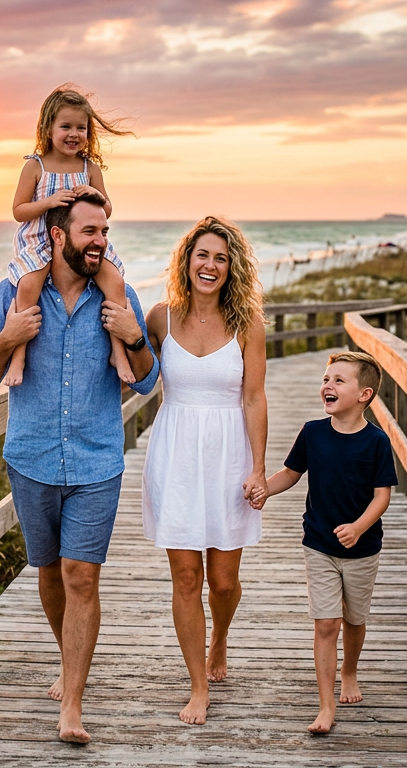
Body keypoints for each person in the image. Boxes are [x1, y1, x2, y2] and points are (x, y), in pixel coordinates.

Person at [0, 192, 159, 744]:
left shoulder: (117, 294)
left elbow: (145, 379)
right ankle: (68, 660)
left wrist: (133, 336)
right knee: (49, 572)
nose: (100, 241)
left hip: (97, 458)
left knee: (81, 575)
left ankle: (72, 702)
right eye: (89, 232)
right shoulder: (13, 293)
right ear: (57, 235)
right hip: (30, 458)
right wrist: (10, 337)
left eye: (104, 231)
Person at [141, 216, 268, 725]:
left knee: (223, 580)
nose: (210, 266)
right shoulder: (159, 318)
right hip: (175, 454)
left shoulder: (247, 323)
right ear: (186, 261)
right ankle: (198, 684)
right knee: (186, 575)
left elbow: (255, 397)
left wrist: (259, 468)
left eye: (220, 258)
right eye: (202, 256)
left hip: (228, 454)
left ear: (231, 267)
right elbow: (135, 369)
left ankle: (221, 640)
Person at [258, 351, 398, 734]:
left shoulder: (376, 442)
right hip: (318, 543)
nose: (328, 386)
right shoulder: (313, 433)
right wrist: (263, 490)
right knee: (326, 624)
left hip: (362, 549)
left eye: (339, 380)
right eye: (326, 379)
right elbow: (290, 473)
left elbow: (382, 496)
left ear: (364, 394)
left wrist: (358, 527)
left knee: (354, 619)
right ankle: (326, 704)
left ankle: (349, 671)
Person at [3, 84, 135, 388]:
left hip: (83, 245)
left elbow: (108, 208)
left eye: (81, 127)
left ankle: (119, 352)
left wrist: (94, 194)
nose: (74, 134)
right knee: (28, 286)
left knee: (115, 282)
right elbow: (19, 210)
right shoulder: (35, 166)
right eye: (66, 126)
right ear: (48, 129)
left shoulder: (89, 168)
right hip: (40, 241)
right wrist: (48, 202)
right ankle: (19, 355)